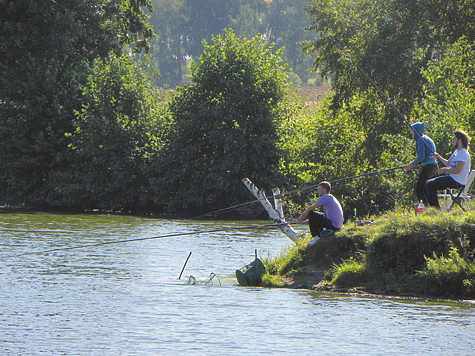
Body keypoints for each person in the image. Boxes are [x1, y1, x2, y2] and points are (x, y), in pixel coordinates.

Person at [426, 130, 471, 209]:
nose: (452, 141)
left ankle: (436, 208)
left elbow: (457, 170)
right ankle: (434, 207)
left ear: (460, 141)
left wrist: (444, 170)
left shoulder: (462, 153)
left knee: (429, 184)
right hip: (452, 178)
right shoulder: (457, 152)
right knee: (429, 184)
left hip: (457, 181)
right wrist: (438, 156)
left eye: (454, 139)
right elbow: (448, 163)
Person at [404, 122, 437, 205]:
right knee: (426, 187)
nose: (411, 133)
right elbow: (425, 157)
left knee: (419, 188)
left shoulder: (420, 140)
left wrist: (411, 164)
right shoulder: (425, 138)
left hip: (428, 167)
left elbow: (421, 157)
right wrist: (414, 163)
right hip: (433, 166)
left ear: (416, 131)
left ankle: (424, 207)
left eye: (412, 131)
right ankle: (430, 206)